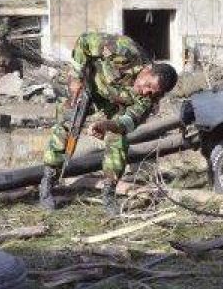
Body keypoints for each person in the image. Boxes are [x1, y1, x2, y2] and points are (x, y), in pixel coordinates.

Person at [39, 32, 178, 216]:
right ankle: (48, 182)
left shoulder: (148, 100)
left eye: (152, 92)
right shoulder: (126, 51)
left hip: (112, 106)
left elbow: (127, 122)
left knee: (118, 140)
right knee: (66, 124)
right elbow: (85, 42)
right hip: (88, 85)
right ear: (147, 70)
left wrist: (107, 125)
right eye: (147, 85)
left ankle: (108, 193)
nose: (145, 92)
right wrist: (77, 77)